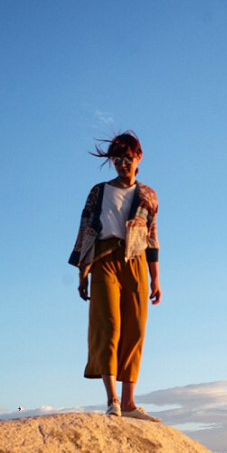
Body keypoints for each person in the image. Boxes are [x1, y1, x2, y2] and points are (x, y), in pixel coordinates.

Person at [68, 130, 161, 420]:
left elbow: (152, 237)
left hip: (135, 261)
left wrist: (156, 278)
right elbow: (85, 231)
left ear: (138, 158)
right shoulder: (99, 191)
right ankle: (113, 402)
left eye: (128, 158)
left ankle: (130, 402)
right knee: (108, 326)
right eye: (117, 159)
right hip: (105, 259)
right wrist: (83, 272)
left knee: (135, 329)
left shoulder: (148, 195)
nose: (123, 164)